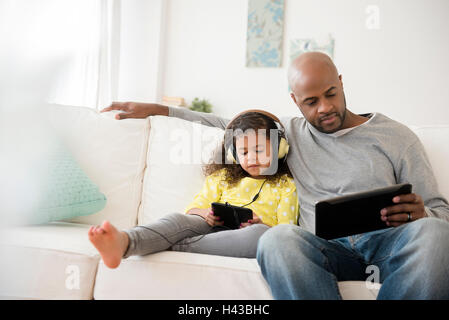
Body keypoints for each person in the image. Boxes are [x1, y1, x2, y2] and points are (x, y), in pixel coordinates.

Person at [100, 51, 449, 299]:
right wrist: (158, 109)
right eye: (311, 101)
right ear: (295, 101)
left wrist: (424, 213)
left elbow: (440, 212)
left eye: (331, 94)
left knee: (434, 233)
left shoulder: (397, 136)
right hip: (326, 249)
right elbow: (230, 126)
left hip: (386, 245)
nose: (325, 108)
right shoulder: (290, 135)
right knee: (278, 238)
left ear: (341, 83)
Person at [88, 110, 299, 268]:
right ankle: (125, 241)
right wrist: (205, 214)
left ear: (278, 149)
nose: (251, 157)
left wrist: (261, 223)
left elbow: (286, 232)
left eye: (259, 150)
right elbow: (193, 209)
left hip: (247, 236)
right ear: (234, 155)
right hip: (210, 227)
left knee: (259, 235)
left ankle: (169, 244)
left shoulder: (286, 186)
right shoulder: (223, 178)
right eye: (243, 152)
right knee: (179, 220)